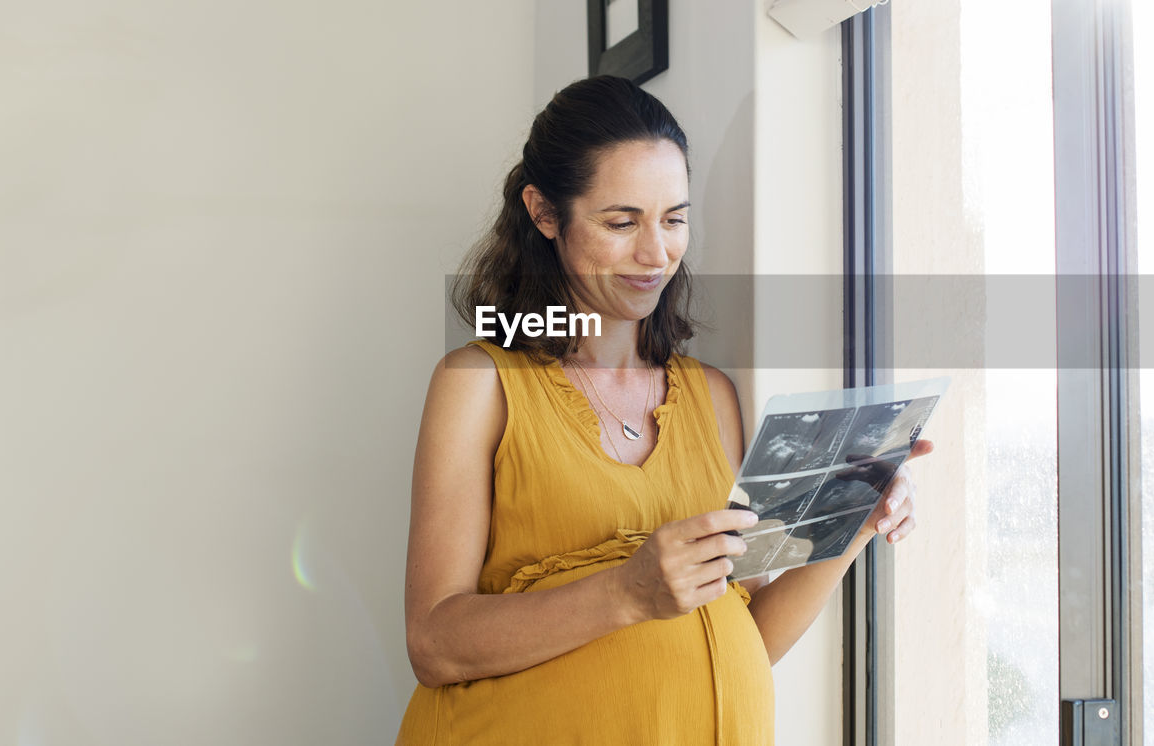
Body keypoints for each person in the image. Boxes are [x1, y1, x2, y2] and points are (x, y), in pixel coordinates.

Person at [394, 76, 931, 745]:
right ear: (544, 213)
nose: (657, 254)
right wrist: (624, 593)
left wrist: (852, 524)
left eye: (674, 218)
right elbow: (434, 643)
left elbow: (748, 632)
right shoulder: (478, 383)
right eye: (621, 223)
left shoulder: (712, 396)